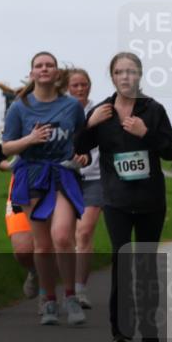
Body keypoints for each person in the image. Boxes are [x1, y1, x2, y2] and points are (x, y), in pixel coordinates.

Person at [75, 52, 172, 342]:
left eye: (131, 71)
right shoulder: (103, 112)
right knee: (121, 260)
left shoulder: (153, 110)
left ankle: (149, 327)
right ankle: (121, 330)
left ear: (140, 75)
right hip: (116, 199)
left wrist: (146, 133)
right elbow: (79, 149)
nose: (126, 77)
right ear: (112, 77)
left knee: (146, 262)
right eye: (120, 72)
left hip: (150, 200)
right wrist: (89, 124)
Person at [1, 52, 88, 326]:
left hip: (62, 172)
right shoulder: (20, 107)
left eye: (49, 65)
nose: (44, 69)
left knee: (63, 236)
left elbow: (82, 139)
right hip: (32, 174)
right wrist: (30, 138)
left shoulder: (72, 106)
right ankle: (49, 300)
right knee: (42, 244)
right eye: (39, 65)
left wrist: (82, 154)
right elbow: (5, 147)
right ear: (32, 73)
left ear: (56, 72)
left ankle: (71, 297)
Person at [68, 68, 103, 309]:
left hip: (95, 177)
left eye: (84, 84)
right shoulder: (61, 111)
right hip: (66, 178)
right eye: (75, 85)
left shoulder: (100, 111)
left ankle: (80, 290)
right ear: (67, 88)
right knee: (65, 237)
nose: (81, 89)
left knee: (84, 233)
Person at [0, 139, 38, 299]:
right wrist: (12, 166)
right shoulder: (16, 114)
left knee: (51, 244)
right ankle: (34, 271)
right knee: (23, 251)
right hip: (22, 186)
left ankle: (48, 301)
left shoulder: (65, 113)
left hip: (55, 184)